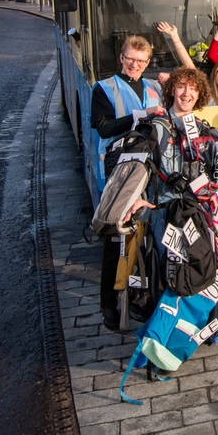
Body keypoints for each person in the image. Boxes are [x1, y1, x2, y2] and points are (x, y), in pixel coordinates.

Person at [131, 68, 218, 338]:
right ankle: (166, 332)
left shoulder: (207, 130)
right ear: (172, 91)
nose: (186, 93)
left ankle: (207, 326)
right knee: (169, 271)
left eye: (192, 89)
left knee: (203, 266)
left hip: (199, 213)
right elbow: (135, 167)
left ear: (200, 94)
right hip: (165, 212)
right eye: (181, 87)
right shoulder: (155, 126)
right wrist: (134, 198)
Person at [90, 35, 166, 330]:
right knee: (115, 237)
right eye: (130, 59)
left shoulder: (155, 87)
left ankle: (143, 293)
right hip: (119, 172)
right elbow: (104, 127)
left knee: (146, 235)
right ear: (121, 58)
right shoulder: (104, 88)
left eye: (141, 61)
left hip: (152, 170)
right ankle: (108, 302)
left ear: (148, 62)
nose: (134, 65)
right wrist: (141, 115)